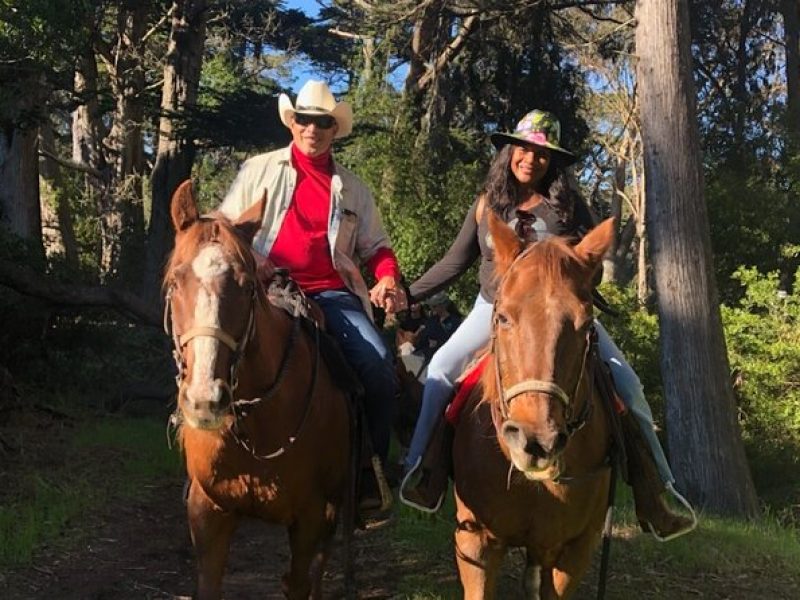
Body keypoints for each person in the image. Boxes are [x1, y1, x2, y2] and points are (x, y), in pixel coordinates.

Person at [399, 109, 696, 540]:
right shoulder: (486, 205)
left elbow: (592, 262)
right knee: (443, 368)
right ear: (509, 151)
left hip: (558, 312)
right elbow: (454, 261)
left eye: (542, 154)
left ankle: (659, 492)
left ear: (551, 161)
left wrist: (565, 288)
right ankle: (420, 473)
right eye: (524, 149)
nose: (531, 159)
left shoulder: (568, 208)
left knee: (626, 383)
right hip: (497, 308)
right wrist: (408, 294)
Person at [218, 80, 408, 477]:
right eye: (304, 120)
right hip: (266, 288)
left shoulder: (354, 188)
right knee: (212, 346)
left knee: (377, 366)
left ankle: (368, 469)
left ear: (334, 129)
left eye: (322, 123)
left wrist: (387, 277)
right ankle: (208, 456)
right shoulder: (259, 169)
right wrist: (253, 256)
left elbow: (378, 247)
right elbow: (223, 226)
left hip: (331, 293)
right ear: (292, 123)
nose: (312, 130)